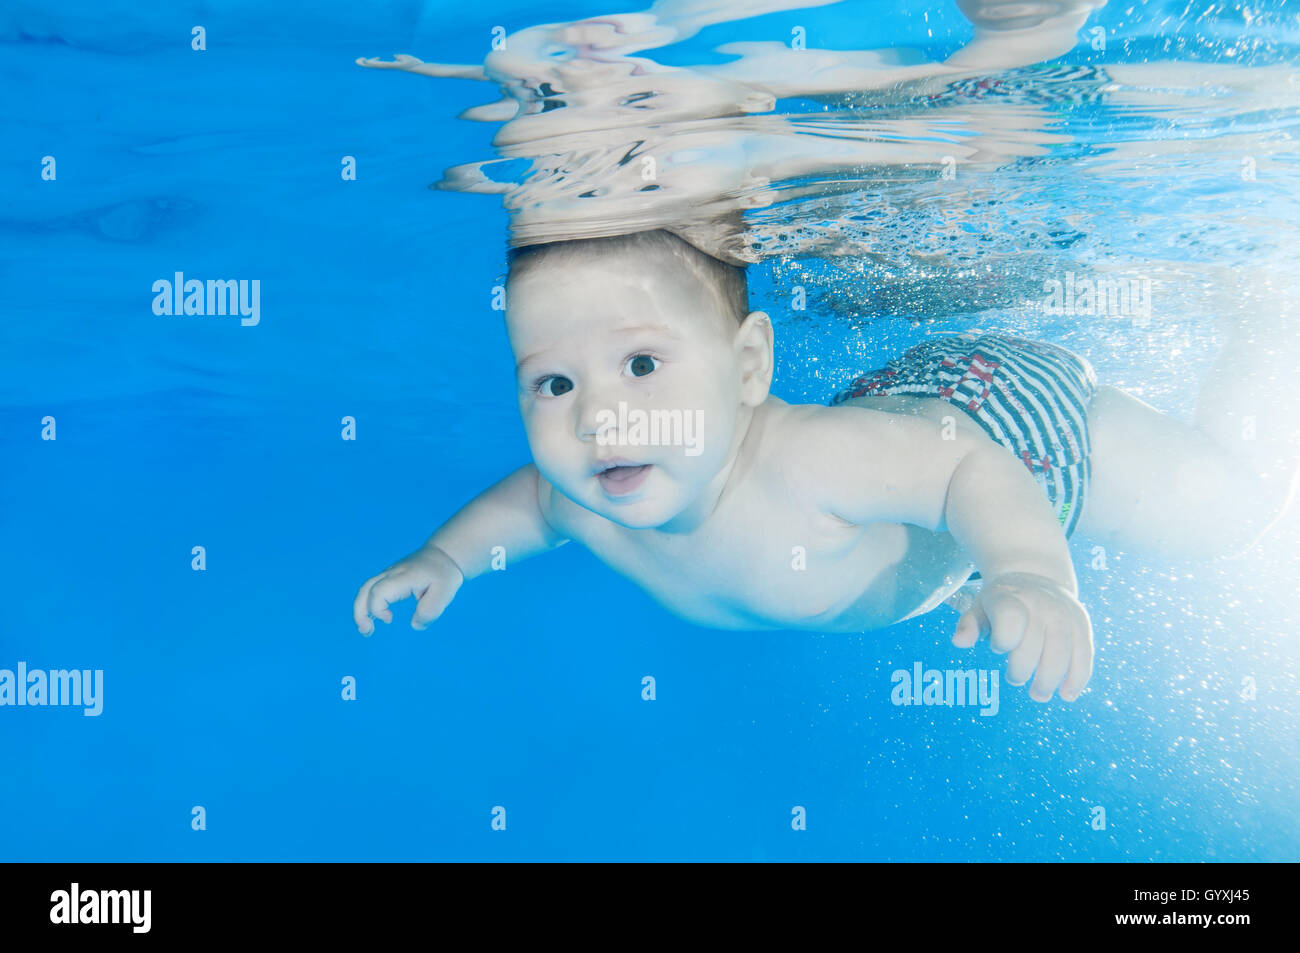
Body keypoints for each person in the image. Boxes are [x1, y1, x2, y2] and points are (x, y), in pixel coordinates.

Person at [353, 229, 1299, 703]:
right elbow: (526, 506)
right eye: (552, 383)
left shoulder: (806, 461)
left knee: (1232, 511)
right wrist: (446, 559)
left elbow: (969, 474)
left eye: (642, 366)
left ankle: (1261, 313)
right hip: (904, 403)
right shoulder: (592, 497)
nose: (600, 417)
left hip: (1013, 428)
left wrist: (1028, 572)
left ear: (751, 369)